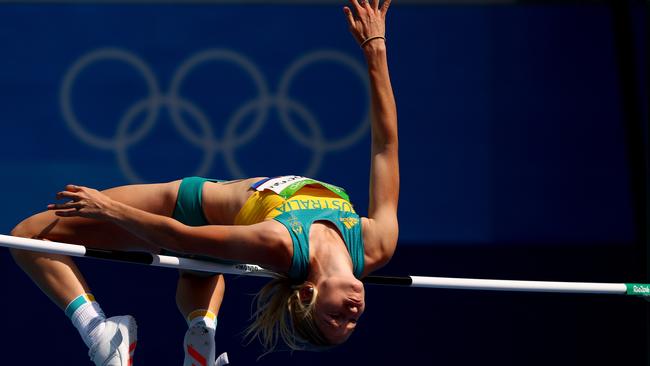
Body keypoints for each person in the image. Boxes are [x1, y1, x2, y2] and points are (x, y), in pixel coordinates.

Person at [9, 0, 397, 364]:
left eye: (334, 319)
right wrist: (375, 51)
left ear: (310, 294)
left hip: (185, 206)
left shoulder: (280, 244)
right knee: (201, 267)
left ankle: (99, 332)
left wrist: (109, 209)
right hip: (219, 235)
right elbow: (384, 147)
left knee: (29, 236)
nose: (350, 315)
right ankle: (202, 332)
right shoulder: (375, 243)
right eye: (349, 324)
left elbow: (178, 235)